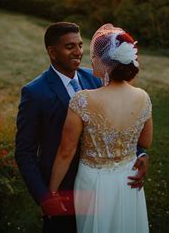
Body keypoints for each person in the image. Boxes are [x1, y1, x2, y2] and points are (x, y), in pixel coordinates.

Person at [15, 22, 149, 233]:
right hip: (63, 189)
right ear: (52, 52)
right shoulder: (35, 93)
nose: (78, 52)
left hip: (102, 186)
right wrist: (45, 196)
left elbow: (119, 119)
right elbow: (24, 152)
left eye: (80, 45)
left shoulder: (97, 78)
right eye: (70, 47)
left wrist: (140, 154)